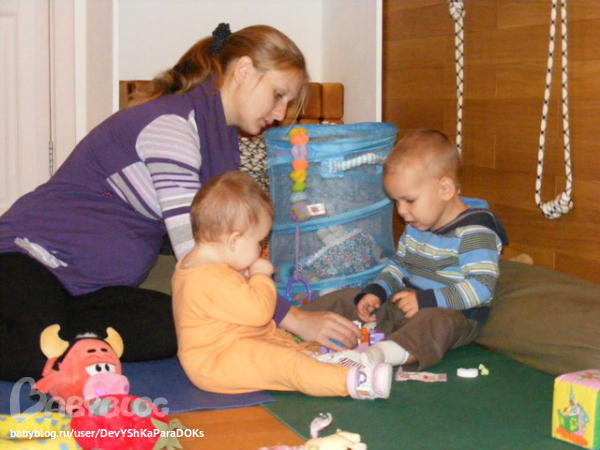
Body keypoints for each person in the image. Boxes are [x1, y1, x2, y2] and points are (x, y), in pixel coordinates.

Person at [0, 23, 360, 382]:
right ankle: (42, 336)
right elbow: (200, 254)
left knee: (183, 332)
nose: (280, 113)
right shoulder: (171, 126)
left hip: (86, 293)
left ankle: (53, 336)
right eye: (278, 95)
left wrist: (271, 314)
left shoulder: (220, 141)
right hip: (28, 260)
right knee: (39, 356)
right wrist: (293, 319)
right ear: (244, 70)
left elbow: (225, 247)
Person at [172, 171, 392, 399]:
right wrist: (260, 276)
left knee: (285, 348)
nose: (260, 250)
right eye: (259, 242)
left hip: (235, 345)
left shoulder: (195, 266)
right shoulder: (212, 278)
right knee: (286, 363)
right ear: (234, 241)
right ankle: (353, 382)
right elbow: (260, 311)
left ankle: (326, 363)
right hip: (217, 361)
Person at [311, 129, 509, 370]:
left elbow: (481, 287)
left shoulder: (475, 230)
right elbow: (399, 266)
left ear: (445, 189)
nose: (402, 211)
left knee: (434, 322)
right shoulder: (417, 224)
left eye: (409, 200)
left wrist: (426, 300)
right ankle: (288, 325)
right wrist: (377, 292)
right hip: (406, 304)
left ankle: (377, 356)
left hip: (453, 313)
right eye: (396, 201)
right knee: (348, 297)